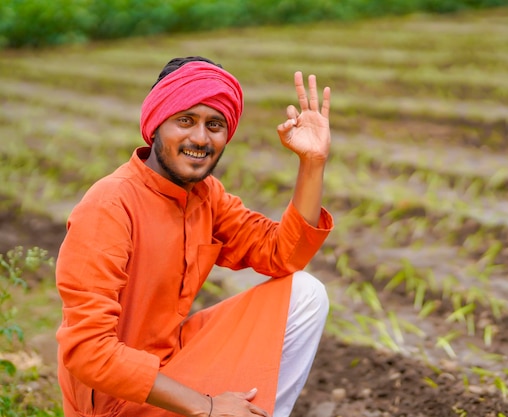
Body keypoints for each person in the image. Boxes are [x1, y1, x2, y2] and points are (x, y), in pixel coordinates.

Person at [55, 56, 333, 417]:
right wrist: (208, 407)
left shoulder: (206, 195)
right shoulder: (109, 205)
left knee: (306, 294)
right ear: (156, 124)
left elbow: (282, 255)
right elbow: (88, 350)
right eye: (185, 120)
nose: (200, 138)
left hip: (175, 363)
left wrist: (312, 163)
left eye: (215, 125)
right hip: (118, 402)